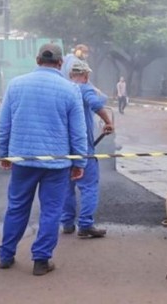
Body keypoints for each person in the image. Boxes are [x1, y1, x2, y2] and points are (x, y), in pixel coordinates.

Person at [0, 43, 88, 276]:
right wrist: (80, 162)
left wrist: (4, 154)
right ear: (60, 63)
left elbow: (3, 124)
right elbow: (78, 132)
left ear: (37, 61)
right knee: (51, 211)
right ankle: (40, 260)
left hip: (23, 160)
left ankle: (6, 256)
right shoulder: (70, 90)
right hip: (56, 164)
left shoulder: (15, 85)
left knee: (16, 207)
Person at [61, 60, 114, 238]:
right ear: (86, 75)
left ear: (70, 75)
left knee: (67, 186)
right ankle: (85, 224)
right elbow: (97, 104)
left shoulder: (64, 89)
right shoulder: (84, 89)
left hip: (62, 147)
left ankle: (67, 223)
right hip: (82, 147)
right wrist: (108, 122)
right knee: (89, 185)